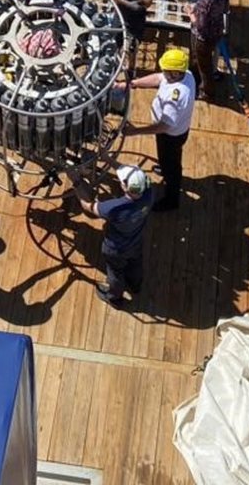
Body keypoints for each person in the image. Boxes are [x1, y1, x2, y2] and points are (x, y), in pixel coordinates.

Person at [75, 165, 156, 308]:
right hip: (136, 239)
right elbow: (137, 177)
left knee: (115, 273)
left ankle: (114, 298)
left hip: (115, 248)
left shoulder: (113, 208)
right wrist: (108, 159)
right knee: (135, 262)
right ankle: (135, 285)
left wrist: (76, 181)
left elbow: (88, 206)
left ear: (125, 187)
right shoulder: (149, 193)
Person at [127, 48, 195, 211]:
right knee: (167, 160)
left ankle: (171, 201)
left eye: (166, 71)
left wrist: (135, 131)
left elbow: (164, 126)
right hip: (178, 130)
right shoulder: (187, 74)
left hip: (170, 136)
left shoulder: (175, 98)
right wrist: (132, 84)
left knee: (172, 166)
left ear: (176, 73)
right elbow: (158, 78)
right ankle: (165, 168)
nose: (163, 73)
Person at [187, 0, 228, 100]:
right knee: (203, 60)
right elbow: (224, 8)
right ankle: (199, 77)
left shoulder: (203, 3)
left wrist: (191, 14)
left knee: (203, 64)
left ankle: (207, 92)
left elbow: (200, 26)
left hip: (202, 39)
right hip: (216, 32)